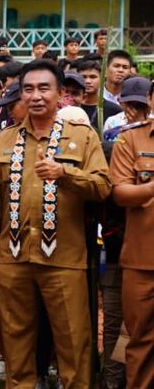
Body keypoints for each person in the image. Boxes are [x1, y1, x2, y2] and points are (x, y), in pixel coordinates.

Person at [0, 60, 111, 387]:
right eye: (28, 89)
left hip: (64, 257)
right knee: (15, 340)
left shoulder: (82, 137)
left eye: (44, 88)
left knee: (73, 340)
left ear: (60, 93)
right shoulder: (6, 139)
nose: (36, 96)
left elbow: (102, 187)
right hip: (12, 256)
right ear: (21, 95)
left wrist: (65, 173)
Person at [109, 98, 154, 388]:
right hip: (143, 260)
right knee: (141, 340)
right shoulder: (131, 139)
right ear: (151, 100)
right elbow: (121, 192)